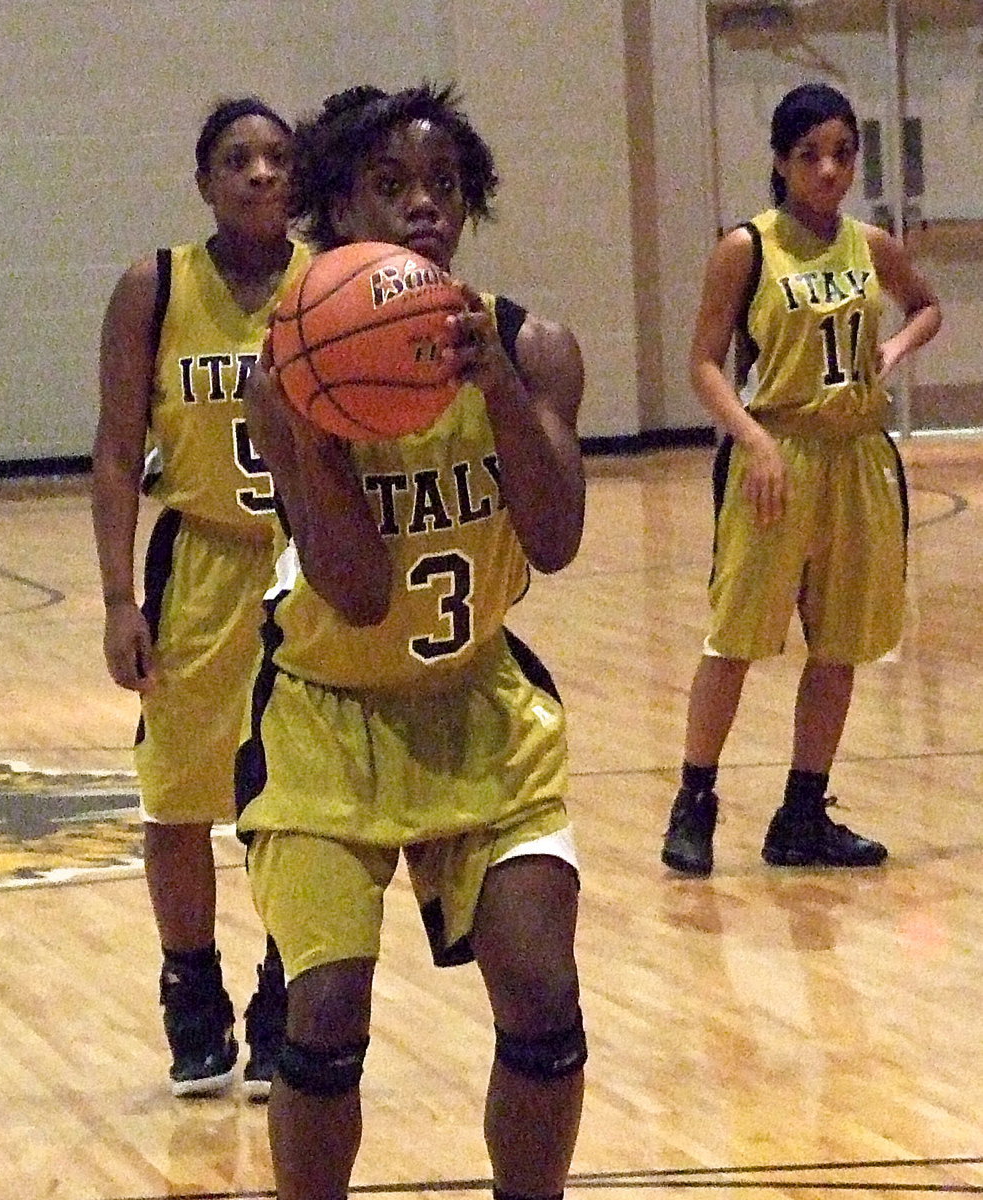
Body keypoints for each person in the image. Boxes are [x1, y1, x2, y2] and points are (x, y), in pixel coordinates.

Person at [237, 84, 587, 1200]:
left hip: (481, 707)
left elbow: (560, 537)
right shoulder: (281, 375)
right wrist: (314, 437)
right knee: (327, 1010)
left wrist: (492, 387)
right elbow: (352, 587)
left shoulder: (534, 345)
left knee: (540, 992)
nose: (423, 206)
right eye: (390, 185)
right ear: (336, 208)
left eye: (442, 185)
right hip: (328, 718)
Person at [661, 82, 941, 877]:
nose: (829, 170)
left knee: (841, 643)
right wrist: (752, 439)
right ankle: (695, 802)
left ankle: (802, 813)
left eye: (842, 154)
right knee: (736, 638)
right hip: (776, 456)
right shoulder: (745, 248)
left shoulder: (871, 244)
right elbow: (703, 364)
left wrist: (892, 353)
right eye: (811, 155)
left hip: (856, 455)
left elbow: (924, 306)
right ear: (780, 163)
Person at [91, 96, 311, 1098]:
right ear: (205, 179)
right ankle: (192, 995)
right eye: (238, 159)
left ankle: (285, 994)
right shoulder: (157, 286)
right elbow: (113, 448)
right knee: (179, 799)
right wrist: (115, 597)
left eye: (275, 158)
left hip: (313, 565)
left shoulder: (336, 283)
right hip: (202, 562)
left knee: (300, 802)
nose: (260, 174)